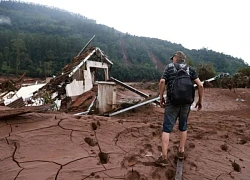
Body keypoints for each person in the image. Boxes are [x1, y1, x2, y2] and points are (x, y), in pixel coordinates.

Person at [156, 51, 204, 167]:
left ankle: (164, 158)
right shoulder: (190, 69)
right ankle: (181, 152)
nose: (172, 60)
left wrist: (161, 96)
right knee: (183, 127)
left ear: (176, 58)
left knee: (167, 129)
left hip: (172, 102)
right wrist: (199, 101)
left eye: (173, 58)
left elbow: (162, 81)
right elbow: (200, 85)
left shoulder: (169, 67)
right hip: (186, 104)